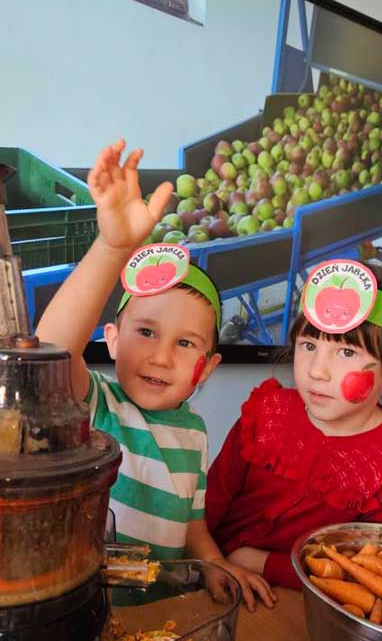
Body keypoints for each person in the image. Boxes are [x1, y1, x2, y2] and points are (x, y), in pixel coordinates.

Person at [37, 139, 275, 610]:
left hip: (160, 615)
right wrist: (112, 248)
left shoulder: (196, 433)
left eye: (185, 343)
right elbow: (52, 355)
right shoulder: (97, 407)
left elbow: (191, 521)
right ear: (112, 340)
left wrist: (214, 562)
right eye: (146, 332)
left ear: (207, 367)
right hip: (84, 615)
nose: (161, 357)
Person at [206, 257, 382, 588]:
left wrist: (260, 563)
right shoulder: (266, 413)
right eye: (309, 345)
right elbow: (207, 506)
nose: (317, 370)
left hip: (300, 604)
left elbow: (365, 574)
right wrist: (208, 563)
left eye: (346, 352)